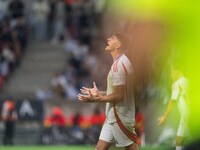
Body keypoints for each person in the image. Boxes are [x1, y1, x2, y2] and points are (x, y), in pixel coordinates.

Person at [78, 32, 138, 150]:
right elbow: (119, 92)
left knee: (131, 147)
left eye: (113, 38)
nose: (108, 39)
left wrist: (97, 99)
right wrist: (100, 93)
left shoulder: (118, 65)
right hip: (113, 115)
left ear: (118, 45)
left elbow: (119, 96)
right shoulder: (122, 62)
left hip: (119, 115)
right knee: (100, 148)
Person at [158, 67, 190, 150]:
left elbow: (172, 102)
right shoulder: (187, 81)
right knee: (180, 139)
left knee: (179, 140)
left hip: (188, 115)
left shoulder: (178, 83)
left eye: (172, 72)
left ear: (178, 71)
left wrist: (164, 117)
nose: (171, 75)